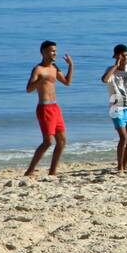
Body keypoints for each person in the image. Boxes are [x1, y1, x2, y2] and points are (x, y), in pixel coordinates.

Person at [24, 40, 74, 176]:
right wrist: (40, 80)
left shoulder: (55, 67)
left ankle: (52, 171)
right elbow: (28, 89)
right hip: (44, 108)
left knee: (62, 141)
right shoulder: (38, 69)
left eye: (55, 51)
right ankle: (30, 170)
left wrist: (71, 66)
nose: (55, 53)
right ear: (43, 52)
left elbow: (67, 82)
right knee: (47, 142)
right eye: (52, 51)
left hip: (55, 107)